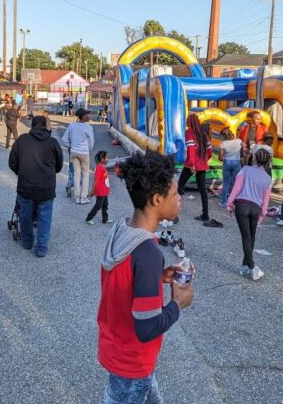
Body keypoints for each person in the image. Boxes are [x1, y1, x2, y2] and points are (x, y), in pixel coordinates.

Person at [97, 151, 194, 403]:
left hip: (115, 345)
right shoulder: (148, 252)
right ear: (156, 199)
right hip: (133, 361)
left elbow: (123, 277)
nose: (180, 198)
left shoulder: (122, 229)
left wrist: (158, 277)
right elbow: (147, 327)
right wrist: (177, 304)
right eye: (175, 194)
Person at [9, 115, 63, 257]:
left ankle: (27, 242)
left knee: (25, 215)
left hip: (26, 186)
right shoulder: (52, 142)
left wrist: (21, 173)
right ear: (45, 126)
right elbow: (59, 166)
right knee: (45, 218)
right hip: (46, 187)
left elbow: (12, 162)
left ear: (32, 126)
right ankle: (41, 248)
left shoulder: (21, 140)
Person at [227, 149, 273, 280]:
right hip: (256, 208)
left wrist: (230, 203)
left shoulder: (245, 170)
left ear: (255, 158)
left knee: (246, 237)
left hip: (241, 205)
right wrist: (262, 214)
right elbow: (266, 200)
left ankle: (251, 267)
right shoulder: (268, 178)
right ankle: (245, 266)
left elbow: (236, 188)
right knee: (251, 237)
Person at [177, 114, 221, 227]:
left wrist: (192, 165)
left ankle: (171, 212)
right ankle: (205, 215)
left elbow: (191, 150)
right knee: (202, 190)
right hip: (202, 164)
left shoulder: (189, 132)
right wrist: (205, 159)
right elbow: (210, 149)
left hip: (191, 164)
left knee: (179, 186)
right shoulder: (203, 133)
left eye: (187, 120)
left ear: (190, 122)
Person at [61, 108, 94, 204]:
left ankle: (76, 196)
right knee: (85, 174)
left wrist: (70, 146)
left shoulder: (72, 126)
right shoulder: (88, 127)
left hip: (74, 152)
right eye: (87, 115)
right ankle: (83, 197)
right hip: (84, 153)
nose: (89, 116)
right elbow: (91, 142)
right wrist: (88, 149)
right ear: (83, 116)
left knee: (76, 174)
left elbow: (64, 139)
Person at [85, 151, 113, 225]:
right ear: (102, 158)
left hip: (104, 191)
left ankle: (105, 219)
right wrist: (92, 190)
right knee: (98, 205)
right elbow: (96, 179)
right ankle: (88, 218)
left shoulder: (102, 166)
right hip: (101, 191)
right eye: (107, 157)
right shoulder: (99, 167)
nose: (108, 159)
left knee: (105, 205)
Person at [218, 127, 243, 207]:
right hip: (237, 162)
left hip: (227, 162)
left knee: (225, 182)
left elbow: (220, 157)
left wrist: (226, 158)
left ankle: (223, 202)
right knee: (235, 182)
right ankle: (233, 201)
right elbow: (243, 152)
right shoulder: (239, 141)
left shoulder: (223, 144)